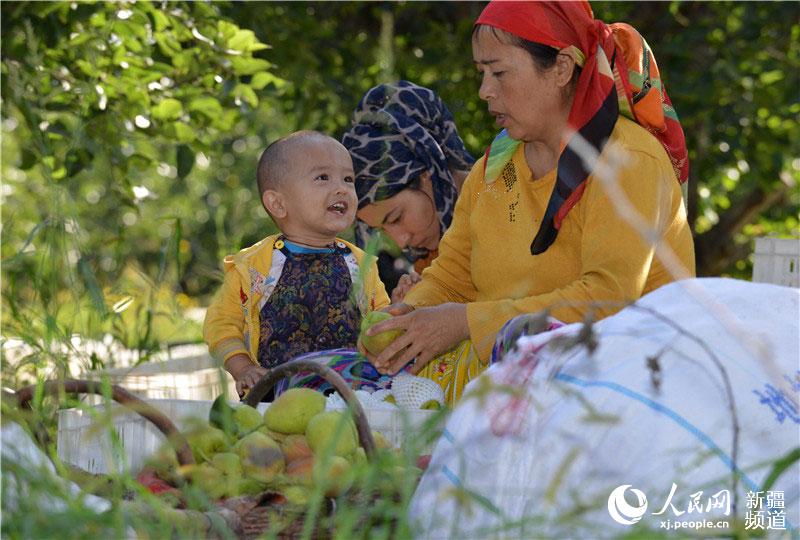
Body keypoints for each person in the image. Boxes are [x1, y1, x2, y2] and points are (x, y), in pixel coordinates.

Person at [362, 0, 696, 404]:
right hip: (527, 393)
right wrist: (405, 320)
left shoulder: (626, 162)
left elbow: (609, 299)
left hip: (626, 393)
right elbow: (452, 276)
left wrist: (466, 322)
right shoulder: (495, 168)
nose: (485, 91)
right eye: (482, 73)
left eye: (499, 72)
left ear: (560, 67)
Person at [203, 130, 391, 398]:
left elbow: (381, 320)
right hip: (277, 400)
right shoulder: (254, 268)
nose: (342, 188)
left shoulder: (362, 264)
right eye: (322, 177)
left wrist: (398, 314)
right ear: (278, 204)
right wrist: (243, 368)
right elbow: (221, 323)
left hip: (354, 397)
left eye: (348, 179)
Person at [342, 81, 476, 301]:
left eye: (396, 218)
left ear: (426, 171)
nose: (401, 242)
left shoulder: (508, 200)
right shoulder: (430, 258)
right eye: (382, 231)